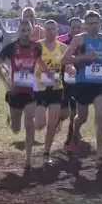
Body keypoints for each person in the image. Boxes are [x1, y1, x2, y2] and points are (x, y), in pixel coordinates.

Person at [61, 11, 102, 168]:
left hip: (101, 84)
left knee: (100, 116)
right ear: (85, 25)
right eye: (90, 23)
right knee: (82, 117)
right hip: (83, 84)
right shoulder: (79, 39)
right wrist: (83, 58)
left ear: (100, 23)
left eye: (96, 23)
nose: (94, 26)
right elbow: (64, 60)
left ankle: (100, 154)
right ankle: (76, 127)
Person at [0, 19, 42, 173]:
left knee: (29, 122)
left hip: (30, 92)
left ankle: (28, 158)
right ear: (18, 31)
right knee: (16, 128)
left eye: (28, 30)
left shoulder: (37, 47)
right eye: (23, 30)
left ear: (32, 30)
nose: (25, 33)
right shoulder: (10, 48)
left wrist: (45, 77)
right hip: (15, 93)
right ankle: (11, 120)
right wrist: (6, 83)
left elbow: (40, 64)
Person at [34, 20, 68, 166]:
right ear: (44, 31)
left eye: (53, 29)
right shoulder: (38, 46)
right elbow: (35, 58)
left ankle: (46, 152)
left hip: (56, 89)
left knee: (52, 123)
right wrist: (45, 70)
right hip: (40, 89)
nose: (50, 32)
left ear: (57, 31)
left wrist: (71, 67)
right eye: (48, 29)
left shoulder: (63, 48)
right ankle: (31, 121)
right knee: (40, 124)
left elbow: (68, 62)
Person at [57, 17, 83, 152]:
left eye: (79, 27)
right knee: (63, 112)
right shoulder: (61, 41)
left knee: (75, 111)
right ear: (69, 28)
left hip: (79, 80)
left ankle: (71, 136)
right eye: (74, 27)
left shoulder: (86, 42)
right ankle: (59, 122)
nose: (76, 30)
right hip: (63, 80)